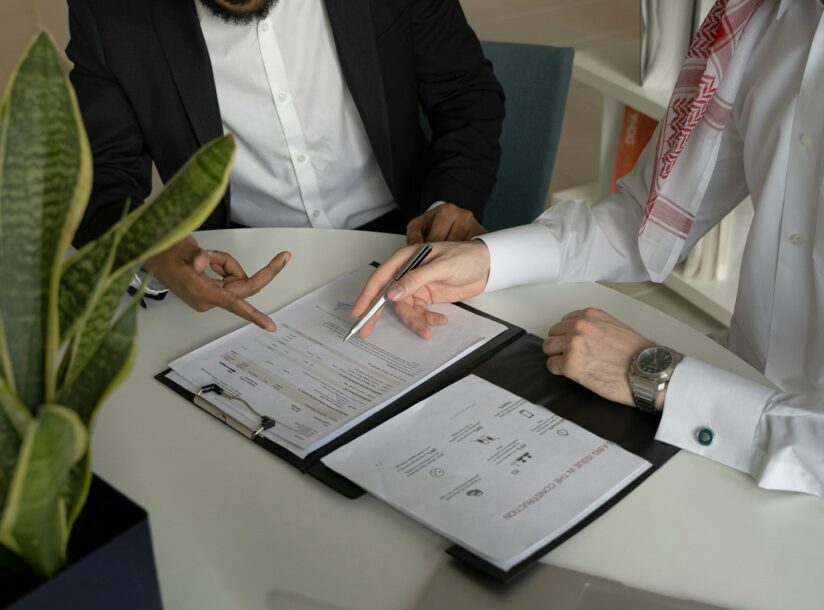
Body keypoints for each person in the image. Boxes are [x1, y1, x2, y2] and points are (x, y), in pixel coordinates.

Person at [353, 0, 824, 496]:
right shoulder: (766, 19)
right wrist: (487, 260)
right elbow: (644, 220)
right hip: (730, 402)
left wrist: (660, 379)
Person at [66, 0, 504, 330]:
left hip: (403, 240)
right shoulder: (110, 12)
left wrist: (452, 199)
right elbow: (102, 177)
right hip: (243, 259)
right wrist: (154, 247)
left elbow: (465, 94)